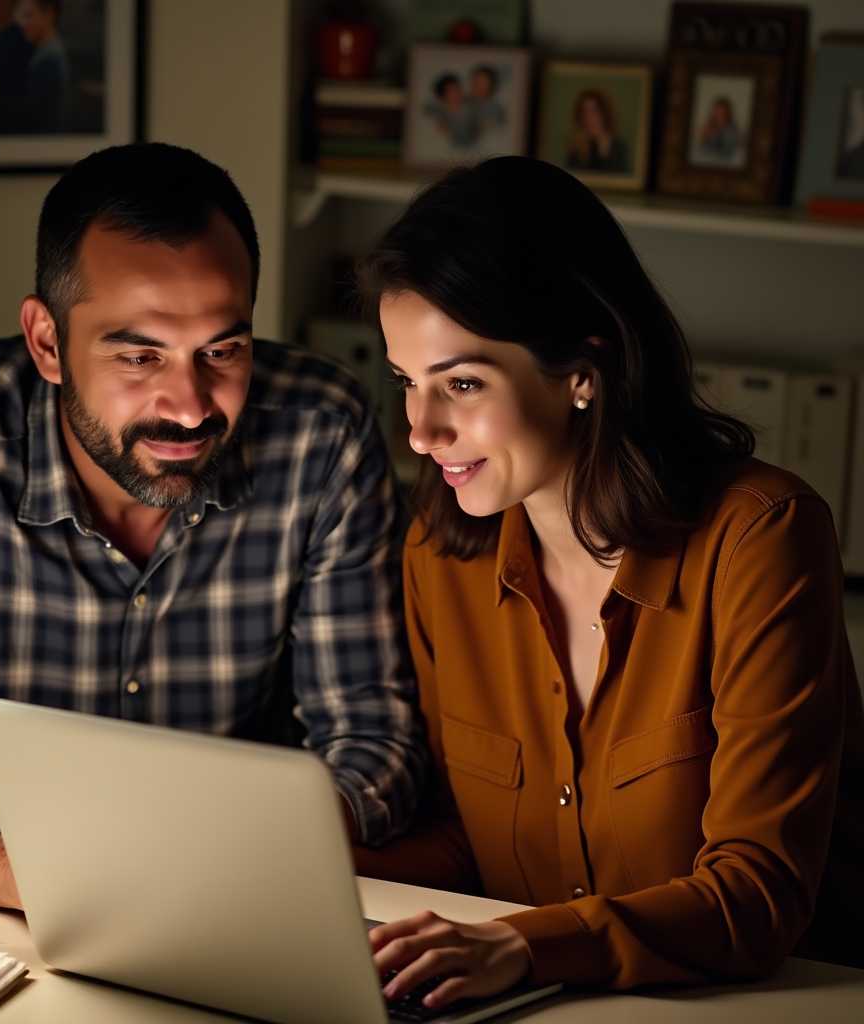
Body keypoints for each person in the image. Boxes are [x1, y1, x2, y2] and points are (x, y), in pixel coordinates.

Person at [0, 143, 425, 911]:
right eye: (140, 355)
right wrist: (15, 869)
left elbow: (375, 742)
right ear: (47, 343)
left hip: (239, 895)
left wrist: (266, 848)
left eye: (223, 349)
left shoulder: (324, 436)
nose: (188, 405)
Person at [352, 157, 864, 1010]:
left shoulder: (761, 538)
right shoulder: (439, 556)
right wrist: (289, 872)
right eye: (408, 383)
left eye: (463, 383)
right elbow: (462, 842)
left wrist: (521, 943)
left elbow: (758, 893)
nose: (420, 431)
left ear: (583, 372)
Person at [0, 0, 69, 132]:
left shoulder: (49, 59)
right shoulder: (42, 52)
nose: (23, 24)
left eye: (28, 15)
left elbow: (29, 114)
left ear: (49, 14)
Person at [565, 87, 627, 173]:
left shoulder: (618, 145)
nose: (589, 117)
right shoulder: (575, 146)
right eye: (584, 112)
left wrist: (604, 149)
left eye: (594, 111)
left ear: (604, 113)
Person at [425, 74, 476, 148]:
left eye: (456, 88)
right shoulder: (437, 114)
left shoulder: (472, 107)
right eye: (450, 91)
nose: (456, 93)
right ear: (444, 96)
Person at [695, 96, 742, 164]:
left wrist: (716, 135)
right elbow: (698, 147)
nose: (719, 113)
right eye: (717, 110)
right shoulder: (707, 127)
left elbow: (728, 153)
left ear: (727, 112)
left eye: (722, 110)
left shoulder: (732, 131)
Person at [467, 66, 506, 137]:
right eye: (476, 82)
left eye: (483, 84)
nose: (478, 87)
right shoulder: (461, 102)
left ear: (490, 86)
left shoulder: (497, 110)